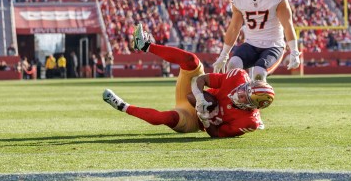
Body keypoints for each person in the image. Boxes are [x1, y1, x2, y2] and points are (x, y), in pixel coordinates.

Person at [103, 23, 274, 138]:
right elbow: (202, 79)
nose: (240, 92)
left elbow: (216, 135)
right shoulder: (238, 77)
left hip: (196, 120)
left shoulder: (249, 121)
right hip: (195, 92)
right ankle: (146, 45)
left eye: (244, 96)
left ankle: (122, 106)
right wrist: (199, 97)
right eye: (245, 88)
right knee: (191, 61)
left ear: (251, 107)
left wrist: (205, 117)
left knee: (169, 118)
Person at [213, 0, 300, 82]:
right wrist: (224, 55)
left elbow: (287, 24)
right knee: (232, 65)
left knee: (259, 74)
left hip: (273, 45)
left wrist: (294, 51)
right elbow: (234, 27)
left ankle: (257, 96)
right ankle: (237, 100)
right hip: (251, 44)